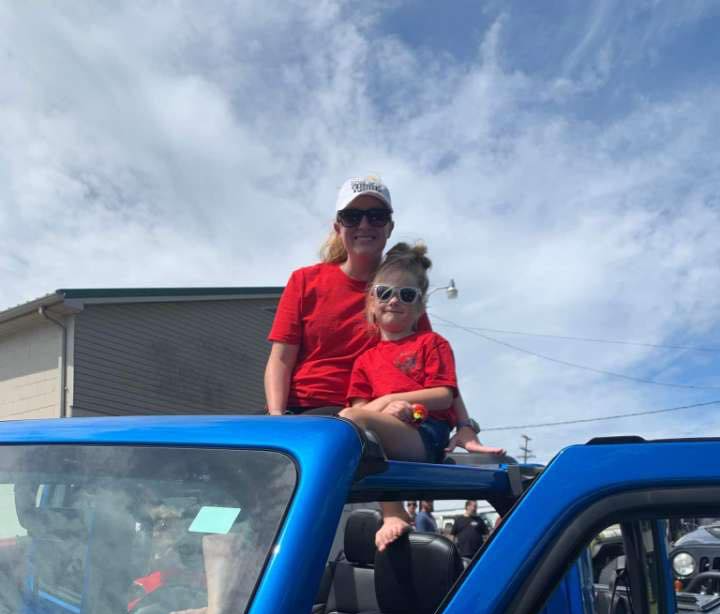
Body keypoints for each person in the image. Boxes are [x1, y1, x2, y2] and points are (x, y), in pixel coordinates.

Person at [264, 175, 503, 456]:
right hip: (304, 408)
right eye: (352, 216)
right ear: (338, 226)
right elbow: (280, 359)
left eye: (376, 216)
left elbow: (437, 374)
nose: (364, 225)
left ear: (390, 227)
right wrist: (277, 420)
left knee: (343, 435)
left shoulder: (402, 294)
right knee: (232, 451)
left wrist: (465, 424)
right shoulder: (305, 281)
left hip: (364, 414)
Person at [340, 242, 457, 549]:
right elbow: (359, 409)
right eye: (384, 292)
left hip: (426, 434)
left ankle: (394, 512)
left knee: (350, 422)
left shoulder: (433, 343)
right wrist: (386, 408)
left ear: (419, 306)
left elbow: (444, 395)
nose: (394, 300)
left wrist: (392, 400)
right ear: (371, 302)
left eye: (407, 295)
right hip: (386, 431)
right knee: (348, 426)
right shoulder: (364, 360)